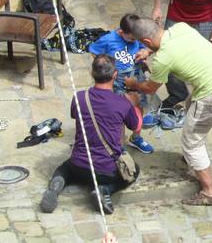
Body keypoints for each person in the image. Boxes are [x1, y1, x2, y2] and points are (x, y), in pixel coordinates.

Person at [125, 17, 212, 205]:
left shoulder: (162, 60)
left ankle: (210, 192)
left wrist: (133, 83)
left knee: (191, 142)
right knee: (191, 107)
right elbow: (168, 47)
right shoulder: (181, 28)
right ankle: (195, 159)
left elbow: (150, 88)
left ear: (146, 42)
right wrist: (148, 51)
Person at [40, 55, 142, 215]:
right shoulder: (122, 103)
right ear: (115, 75)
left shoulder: (79, 98)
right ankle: (105, 190)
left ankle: (55, 188)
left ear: (91, 73)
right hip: (107, 171)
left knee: (64, 169)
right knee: (133, 171)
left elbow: (76, 116)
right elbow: (136, 126)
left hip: (79, 166)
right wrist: (134, 105)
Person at [88, 13, 154, 153]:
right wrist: (107, 67)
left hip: (135, 77)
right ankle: (120, 145)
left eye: (136, 39)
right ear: (122, 31)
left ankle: (136, 137)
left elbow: (149, 47)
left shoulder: (137, 36)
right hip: (117, 81)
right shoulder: (108, 39)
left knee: (138, 107)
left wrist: (145, 53)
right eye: (131, 38)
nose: (133, 41)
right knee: (120, 113)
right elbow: (94, 51)